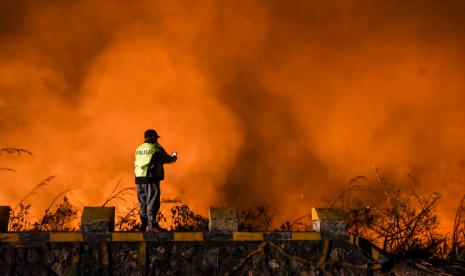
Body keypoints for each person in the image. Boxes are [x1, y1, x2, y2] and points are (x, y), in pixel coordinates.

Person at [134, 129, 177, 231]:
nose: (157, 140)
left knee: (142, 203)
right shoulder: (155, 147)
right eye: (156, 138)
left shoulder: (139, 148)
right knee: (152, 201)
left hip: (139, 179)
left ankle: (143, 225)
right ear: (153, 137)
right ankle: (152, 225)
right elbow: (167, 159)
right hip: (151, 178)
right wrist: (174, 156)